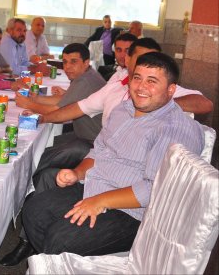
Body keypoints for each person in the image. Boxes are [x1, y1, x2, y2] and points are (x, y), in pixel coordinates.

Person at [18, 52, 204, 262]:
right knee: (34, 211)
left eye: (152, 81)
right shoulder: (122, 110)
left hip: (132, 213)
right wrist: (77, 173)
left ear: (171, 90)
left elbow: (156, 188)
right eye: (137, 78)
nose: (141, 87)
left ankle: (57, 261)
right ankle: (55, 263)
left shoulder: (174, 128)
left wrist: (100, 201)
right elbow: (98, 151)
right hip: (94, 188)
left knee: (60, 239)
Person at [40, 37, 213, 130]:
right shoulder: (117, 86)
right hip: (101, 149)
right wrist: (43, 118)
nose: (148, 65)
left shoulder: (161, 91)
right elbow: (79, 107)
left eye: (154, 60)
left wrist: (157, 104)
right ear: (128, 60)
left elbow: (204, 104)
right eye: (142, 59)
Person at [15, 43, 107, 192]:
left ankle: (24, 186)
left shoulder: (85, 81)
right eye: (65, 62)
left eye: (73, 62)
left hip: (92, 145)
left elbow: (58, 111)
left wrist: (29, 104)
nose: (67, 67)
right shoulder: (87, 75)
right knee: (44, 148)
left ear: (86, 62)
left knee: (40, 159)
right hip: (84, 136)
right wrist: (35, 98)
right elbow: (63, 100)